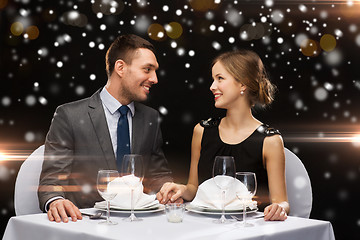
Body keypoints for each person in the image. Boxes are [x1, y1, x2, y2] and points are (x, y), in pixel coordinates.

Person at [38, 34, 173, 223]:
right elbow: (52, 180)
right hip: (86, 224)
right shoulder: (69, 115)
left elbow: (158, 174)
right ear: (120, 67)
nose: (155, 78)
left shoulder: (150, 117)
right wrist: (56, 201)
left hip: (139, 224)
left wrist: (170, 188)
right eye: (147, 69)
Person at [157, 49, 289, 221]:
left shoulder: (270, 140)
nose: (212, 86)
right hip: (203, 227)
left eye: (220, 78)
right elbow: (193, 188)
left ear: (243, 84)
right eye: (213, 79)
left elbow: (282, 202)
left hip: (247, 230)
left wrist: (279, 208)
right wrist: (181, 189)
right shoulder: (201, 130)